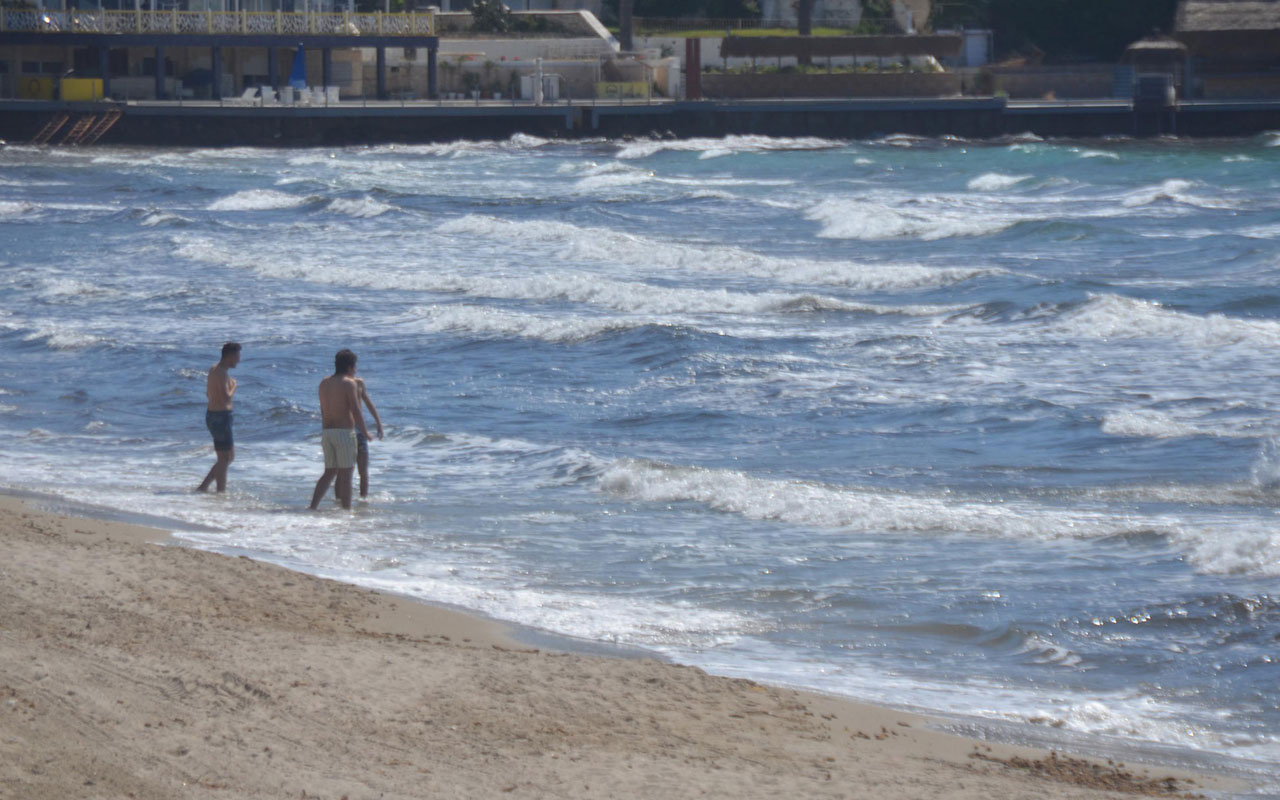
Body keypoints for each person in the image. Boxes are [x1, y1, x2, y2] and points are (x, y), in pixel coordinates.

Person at [310, 349, 371, 511]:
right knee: (346, 476)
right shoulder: (348, 383)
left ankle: (313, 506)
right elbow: (356, 410)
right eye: (355, 367)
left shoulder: (324, 383)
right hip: (344, 433)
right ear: (350, 367)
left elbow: (323, 409)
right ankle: (346, 512)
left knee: (329, 472)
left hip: (327, 432)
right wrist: (365, 432)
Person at [197, 342, 241, 493]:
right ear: (230, 356)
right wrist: (234, 385)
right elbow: (226, 397)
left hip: (215, 415)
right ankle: (220, 492)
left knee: (229, 457)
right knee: (224, 459)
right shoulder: (221, 373)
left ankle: (204, 486)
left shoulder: (214, 369)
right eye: (237, 356)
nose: (239, 360)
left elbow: (208, 393)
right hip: (220, 416)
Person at [334, 376, 383, 501]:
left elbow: (367, 402)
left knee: (363, 469)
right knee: (342, 471)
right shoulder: (337, 383)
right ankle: (338, 501)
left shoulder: (359, 382)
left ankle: (363, 500)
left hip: (359, 428)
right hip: (345, 428)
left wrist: (379, 423)